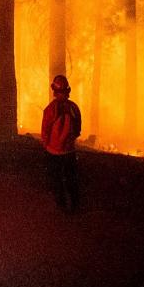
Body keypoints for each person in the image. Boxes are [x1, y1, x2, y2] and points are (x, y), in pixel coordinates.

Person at [41, 74, 82, 213]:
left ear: (55, 91)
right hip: (69, 151)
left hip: (53, 151)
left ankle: (62, 206)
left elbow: (45, 130)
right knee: (71, 179)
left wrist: (46, 145)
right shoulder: (74, 108)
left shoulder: (50, 109)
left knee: (56, 179)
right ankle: (75, 206)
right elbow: (77, 129)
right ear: (67, 91)